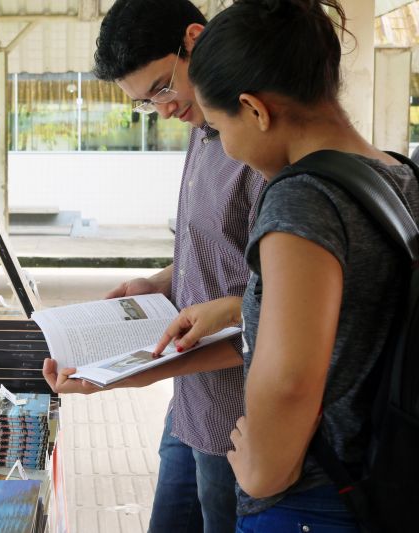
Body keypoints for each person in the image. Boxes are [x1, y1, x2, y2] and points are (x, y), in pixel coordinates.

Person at [161, 0, 417, 529]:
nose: (225, 148)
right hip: (382, 477)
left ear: (255, 110)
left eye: (219, 127)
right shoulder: (399, 175)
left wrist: (261, 474)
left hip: (314, 498)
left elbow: (290, 378)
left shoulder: (301, 197)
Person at [43, 1, 264, 532]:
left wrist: (125, 374)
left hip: (239, 422)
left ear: (195, 40)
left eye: (162, 88)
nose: (163, 110)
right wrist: (160, 283)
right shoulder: (201, 126)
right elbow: (220, 251)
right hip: (189, 407)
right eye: (146, 103)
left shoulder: (256, 143)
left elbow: (274, 306)